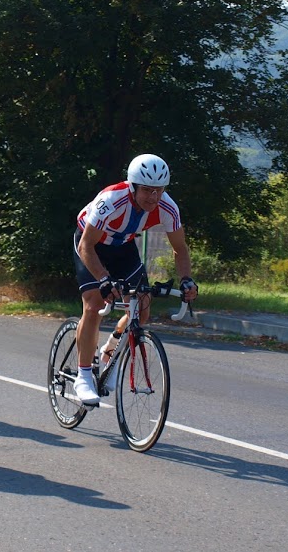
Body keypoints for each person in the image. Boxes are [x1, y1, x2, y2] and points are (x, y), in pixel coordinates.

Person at [71, 153, 198, 405]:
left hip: (123, 246)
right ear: (133, 186)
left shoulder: (168, 207)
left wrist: (186, 279)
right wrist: (104, 279)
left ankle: (109, 355)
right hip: (91, 244)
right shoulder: (112, 200)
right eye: (148, 191)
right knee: (94, 305)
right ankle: (84, 375)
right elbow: (87, 245)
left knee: (142, 307)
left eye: (159, 191)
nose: (153, 197)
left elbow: (180, 249)